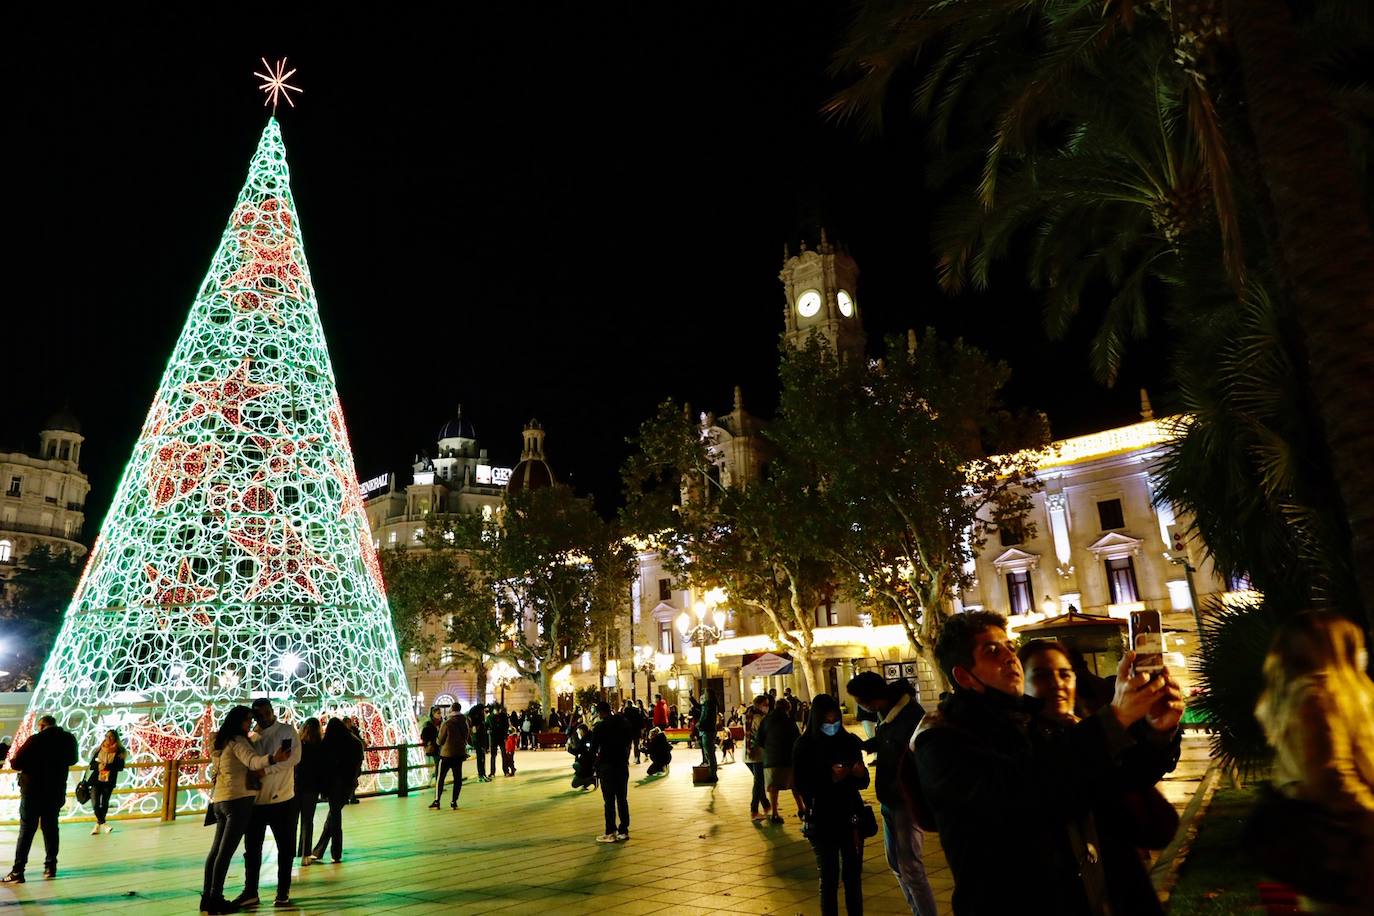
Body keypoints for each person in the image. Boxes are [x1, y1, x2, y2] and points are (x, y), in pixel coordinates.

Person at [912, 611, 1184, 915]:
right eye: (992, 651)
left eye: (1009, 646)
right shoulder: (940, 741)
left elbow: (1120, 781)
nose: (1008, 657)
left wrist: (1157, 731)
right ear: (964, 676)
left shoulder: (1040, 723)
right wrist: (1114, 719)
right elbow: (1022, 789)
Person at [1017, 638, 1180, 916]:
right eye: (1042, 675)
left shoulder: (1092, 730)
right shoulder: (1023, 748)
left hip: (1122, 890)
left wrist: (1158, 731)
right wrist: (1114, 720)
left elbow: (1133, 778)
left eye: (1065, 673)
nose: (1058, 683)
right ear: (1021, 684)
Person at [1253, 611, 1374, 910]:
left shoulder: (1301, 695)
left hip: (1335, 850)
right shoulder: (1317, 698)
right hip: (1349, 848)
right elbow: (1331, 779)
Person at [847, 672, 935, 916]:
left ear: (872, 698)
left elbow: (916, 756)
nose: (862, 707)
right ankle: (916, 909)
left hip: (907, 800)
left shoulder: (911, 716)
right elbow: (885, 742)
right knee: (895, 862)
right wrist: (866, 745)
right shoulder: (884, 713)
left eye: (861, 702)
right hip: (888, 797)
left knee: (911, 868)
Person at [200, 705, 287, 914]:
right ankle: (216, 899)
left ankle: (207, 898)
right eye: (248, 720)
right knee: (225, 852)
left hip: (221, 801)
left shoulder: (220, 742)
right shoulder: (237, 741)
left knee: (216, 851)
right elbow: (252, 761)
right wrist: (274, 758)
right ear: (239, 721)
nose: (251, 723)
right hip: (237, 801)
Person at [794, 694, 870, 916]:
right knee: (829, 879)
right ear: (817, 721)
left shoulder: (848, 741)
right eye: (827, 723)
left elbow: (863, 783)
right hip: (822, 819)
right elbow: (802, 785)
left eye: (835, 722)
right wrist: (831, 778)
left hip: (850, 818)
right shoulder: (804, 745)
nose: (832, 726)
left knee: (853, 878)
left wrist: (859, 773)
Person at [232, 697, 303, 910]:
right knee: (252, 849)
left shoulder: (286, 731)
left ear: (272, 711)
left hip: (283, 800)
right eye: (258, 715)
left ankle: (283, 891)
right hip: (255, 802)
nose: (262, 718)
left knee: (286, 848)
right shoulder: (250, 737)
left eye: (265, 713)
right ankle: (250, 891)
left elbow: (292, 758)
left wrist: (265, 769)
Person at [2, 714, 79, 884]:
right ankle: (50, 867)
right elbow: (73, 759)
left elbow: (16, 764)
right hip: (55, 791)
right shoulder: (68, 739)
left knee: (27, 831)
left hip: (33, 792)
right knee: (51, 828)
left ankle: (18, 871)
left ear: (41, 725)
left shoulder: (35, 740)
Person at [305, 717, 365, 866]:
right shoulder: (355, 743)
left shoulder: (329, 743)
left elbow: (322, 765)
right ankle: (320, 852)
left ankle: (333, 853)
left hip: (333, 786)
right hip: (348, 785)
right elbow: (358, 764)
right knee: (333, 815)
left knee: (334, 817)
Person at [590, 700, 632, 843]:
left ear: (601, 713)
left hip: (607, 766)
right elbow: (629, 742)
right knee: (622, 798)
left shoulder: (600, 727)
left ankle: (611, 831)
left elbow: (593, 749)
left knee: (609, 800)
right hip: (621, 764)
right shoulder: (624, 724)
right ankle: (624, 830)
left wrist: (593, 765)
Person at [757, 697, 801, 824]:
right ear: (787, 709)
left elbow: (759, 739)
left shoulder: (766, 720)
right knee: (794, 784)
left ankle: (775, 813)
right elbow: (797, 739)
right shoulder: (789, 721)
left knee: (773, 787)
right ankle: (801, 808)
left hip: (771, 758)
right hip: (788, 758)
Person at [88, 729, 128, 835]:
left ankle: (97, 825)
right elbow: (91, 764)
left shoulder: (120, 751)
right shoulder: (99, 749)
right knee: (95, 803)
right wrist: (98, 765)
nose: (108, 738)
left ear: (115, 738)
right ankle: (104, 824)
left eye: (111, 737)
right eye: (106, 736)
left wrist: (107, 766)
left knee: (104, 803)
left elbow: (120, 767)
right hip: (96, 779)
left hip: (108, 780)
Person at [295, 718, 323, 865]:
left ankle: (293, 851)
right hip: (312, 788)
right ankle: (305, 854)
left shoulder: (298, 745)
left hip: (296, 786)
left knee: (293, 821)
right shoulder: (320, 746)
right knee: (307, 820)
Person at [431, 702, 469, 809]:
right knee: (457, 779)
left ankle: (437, 800)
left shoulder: (447, 723)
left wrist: (437, 739)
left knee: (440, 777)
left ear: (452, 709)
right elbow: (467, 737)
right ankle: (454, 801)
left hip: (446, 755)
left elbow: (440, 741)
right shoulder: (464, 722)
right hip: (459, 754)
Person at [745, 694, 772, 820]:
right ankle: (754, 810)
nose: (767, 707)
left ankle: (766, 805)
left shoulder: (749, 713)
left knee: (759, 781)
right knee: (759, 782)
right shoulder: (758, 718)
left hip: (748, 753)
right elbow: (762, 736)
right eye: (765, 704)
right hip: (757, 753)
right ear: (759, 705)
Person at [699, 690, 719, 780]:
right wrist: (691, 698)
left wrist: (700, 724)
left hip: (708, 730)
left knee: (710, 753)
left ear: (709, 695)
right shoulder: (710, 704)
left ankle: (713, 775)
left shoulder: (709, 704)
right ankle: (712, 773)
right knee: (709, 753)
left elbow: (705, 717)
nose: (704, 695)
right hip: (708, 730)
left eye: (705, 693)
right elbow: (700, 708)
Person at [419, 707, 442, 785]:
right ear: (433, 714)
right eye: (438, 713)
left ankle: (435, 777)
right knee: (438, 765)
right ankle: (437, 782)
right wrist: (428, 742)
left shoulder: (442, 723)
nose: (440, 715)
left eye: (440, 713)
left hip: (441, 747)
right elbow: (423, 735)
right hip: (434, 747)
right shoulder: (428, 724)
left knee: (440, 766)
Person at [469, 703, 491, 783]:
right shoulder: (476, 725)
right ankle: (481, 775)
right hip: (479, 742)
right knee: (480, 758)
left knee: (482, 758)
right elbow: (476, 736)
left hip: (481, 742)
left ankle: (483, 774)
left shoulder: (480, 723)